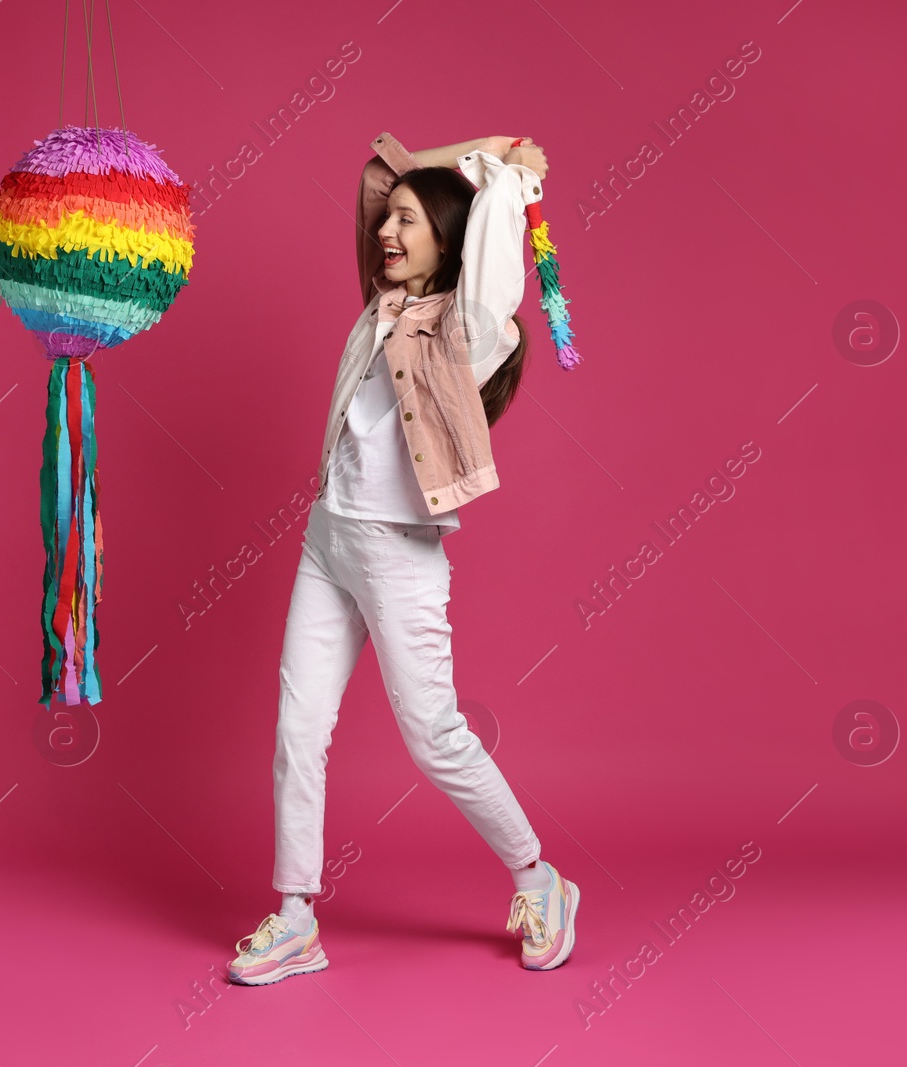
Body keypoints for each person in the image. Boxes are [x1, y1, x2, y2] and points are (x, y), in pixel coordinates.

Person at [226, 132, 580, 987]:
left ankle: (541, 879)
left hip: (398, 552)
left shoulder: (467, 330)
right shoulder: (376, 304)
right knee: (297, 730)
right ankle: (297, 917)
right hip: (328, 538)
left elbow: (493, 232)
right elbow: (381, 171)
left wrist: (505, 166)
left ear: (449, 240)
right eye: (388, 221)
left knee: (432, 734)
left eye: (410, 221)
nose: (387, 227)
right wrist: (470, 149)